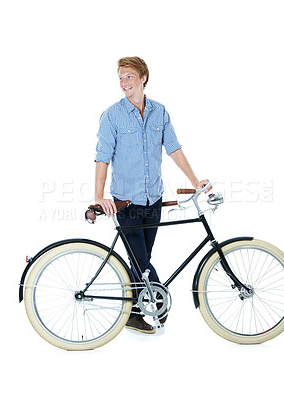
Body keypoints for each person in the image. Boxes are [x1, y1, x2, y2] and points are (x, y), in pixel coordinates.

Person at [94, 56, 210, 333]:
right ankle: (159, 301)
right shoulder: (112, 115)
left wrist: (194, 181)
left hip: (153, 198)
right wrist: (99, 195)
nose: (124, 82)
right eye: (121, 77)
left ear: (144, 77)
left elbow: (173, 148)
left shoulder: (160, 112)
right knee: (141, 262)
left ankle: (134, 312)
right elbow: (102, 156)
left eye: (129, 76)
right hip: (127, 201)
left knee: (141, 258)